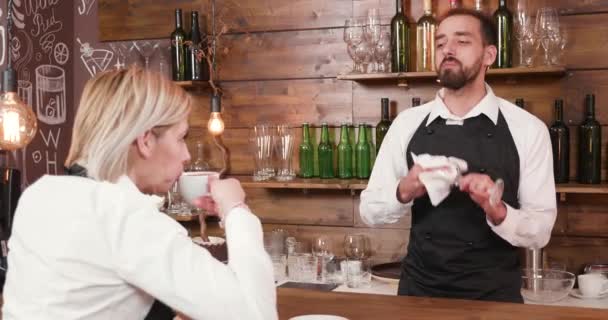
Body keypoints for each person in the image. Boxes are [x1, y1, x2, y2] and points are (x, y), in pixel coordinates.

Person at [2, 67, 278, 319]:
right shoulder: (124, 214)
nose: (185, 155)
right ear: (145, 141)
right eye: (181, 138)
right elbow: (256, 315)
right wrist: (236, 210)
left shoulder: (40, 195)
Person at [360, 9, 557, 303]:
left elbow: (540, 231)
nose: (447, 50)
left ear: (489, 55)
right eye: (440, 43)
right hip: (417, 296)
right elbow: (369, 211)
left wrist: (498, 210)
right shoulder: (407, 124)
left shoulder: (528, 130)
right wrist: (404, 190)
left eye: (462, 41)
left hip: (495, 300)